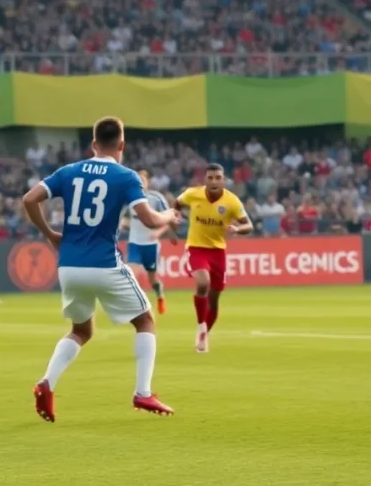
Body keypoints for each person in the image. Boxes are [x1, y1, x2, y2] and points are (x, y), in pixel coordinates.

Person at [23, 116, 181, 423]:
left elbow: (29, 199)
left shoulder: (68, 171)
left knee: (81, 330)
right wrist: (169, 217)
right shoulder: (126, 176)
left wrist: (49, 233)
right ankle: (143, 392)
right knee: (146, 322)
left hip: (69, 266)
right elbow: (149, 220)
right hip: (104, 265)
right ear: (121, 144)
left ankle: (46, 383)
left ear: (93, 144)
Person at [174, 163, 253, 353]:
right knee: (203, 283)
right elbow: (177, 203)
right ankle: (201, 326)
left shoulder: (232, 202)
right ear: (205, 180)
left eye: (218, 177)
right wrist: (175, 216)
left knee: (214, 299)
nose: (214, 181)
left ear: (223, 180)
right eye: (210, 178)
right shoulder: (193, 194)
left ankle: (204, 333)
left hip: (218, 252)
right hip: (196, 247)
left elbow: (249, 225)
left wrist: (238, 229)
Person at [122, 169, 174, 315]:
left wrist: (158, 232)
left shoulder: (156, 199)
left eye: (142, 180)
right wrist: (122, 223)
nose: (139, 183)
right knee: (131, 274)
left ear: (147, 182)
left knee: (152, 280)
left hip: (151, 245)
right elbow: (125, 218)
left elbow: (168, 219)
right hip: (135, 243)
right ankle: (137, 306)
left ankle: (160, 296)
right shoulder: (128, 199)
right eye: (137, 180)